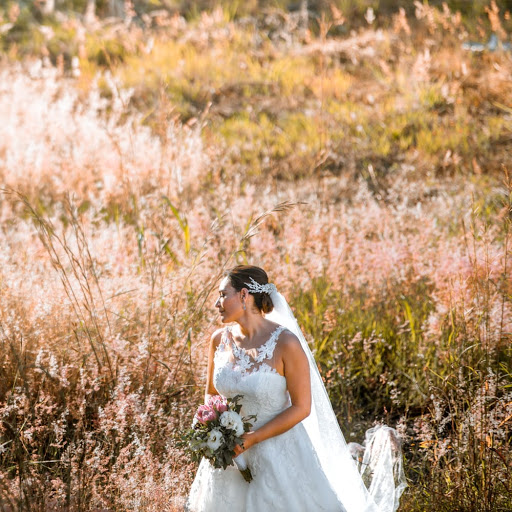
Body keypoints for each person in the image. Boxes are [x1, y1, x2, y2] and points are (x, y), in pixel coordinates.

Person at [185, 265, 406, 512]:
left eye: (223, 294)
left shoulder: (286, 343)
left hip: (277, 453)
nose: (217, 302)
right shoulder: (219, 340)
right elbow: (212, 395)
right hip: (228, 454)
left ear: (245, 295)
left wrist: (253, 438)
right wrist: (213, 428)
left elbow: (302, 407)